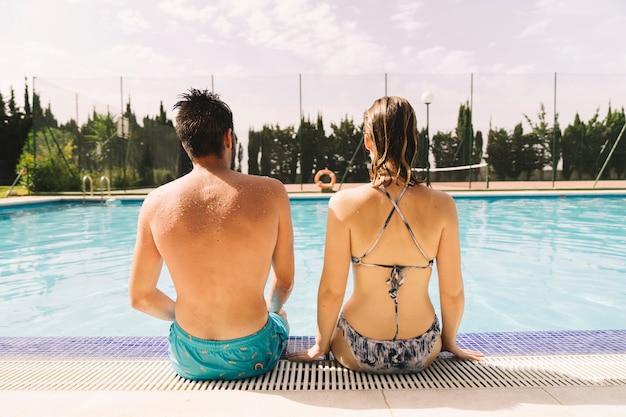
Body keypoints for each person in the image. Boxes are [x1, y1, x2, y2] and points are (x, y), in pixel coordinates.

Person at [288, 96, 483, 373]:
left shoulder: (344, 205)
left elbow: (332, 292)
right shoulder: (443, 205)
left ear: (368, 141)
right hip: (424, 348)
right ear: (413, 139)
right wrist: (450, 343)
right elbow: (452, 293)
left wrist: (320, 345)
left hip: (357, 348)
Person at [129, 89, 294, 381]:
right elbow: (284, 281)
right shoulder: (272, 192)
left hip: (190, 357)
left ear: (185, 144)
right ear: (228, 137)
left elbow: (141, 297)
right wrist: (273, 311)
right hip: (255, 352)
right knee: (279, 319)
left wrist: (183, 316)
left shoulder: (155, 203)